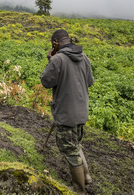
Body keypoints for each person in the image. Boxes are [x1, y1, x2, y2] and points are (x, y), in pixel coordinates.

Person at [40, 29, 94, 195]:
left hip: (66, 114)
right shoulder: (84, 57)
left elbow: (46, 81)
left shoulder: (58, 60)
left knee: (70, 151)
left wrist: (51, 61)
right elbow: (90, 82)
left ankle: (79, 189)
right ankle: (86, 177)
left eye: (52, 44)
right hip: (81, 112)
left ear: (55, 43)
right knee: (75, 145)